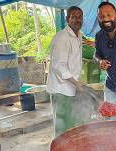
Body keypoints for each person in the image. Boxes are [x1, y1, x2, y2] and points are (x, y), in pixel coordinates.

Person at [46, 6, 84, 136]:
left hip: (71, 87)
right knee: (61, 124)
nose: (77, 20)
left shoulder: (78, 35)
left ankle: (70, 149)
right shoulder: (62, 37)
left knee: (70, 121)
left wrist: (76, 82)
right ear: (68, 19)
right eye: (73, 17)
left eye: (79, 17)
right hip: (60, 88)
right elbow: (58, 66)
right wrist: (75, 82)